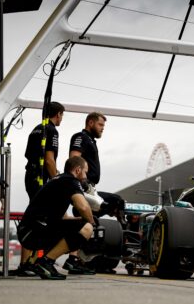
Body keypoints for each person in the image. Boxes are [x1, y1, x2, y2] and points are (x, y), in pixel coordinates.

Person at [17, 156, 95, 280]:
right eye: (85, 171)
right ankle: (45, 263)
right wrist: (92, 223)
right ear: (78, 170)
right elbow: (83, 207)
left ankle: (45, 262)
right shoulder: (71, 181)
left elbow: (59, 219)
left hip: (30, 230)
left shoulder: (59, 180)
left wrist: (79, 221)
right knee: (87, 228)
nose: (86, 176)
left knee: (81, 225)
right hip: (33, 232)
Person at [70, 112, 126, 272]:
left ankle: (122, 241)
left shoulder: (91, 140)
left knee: (115, 203)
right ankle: (75, 259)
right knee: (85, 221)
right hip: (83, 189)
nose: (102, 129)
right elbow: (74, 159)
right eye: (100, 125)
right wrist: (82, 182)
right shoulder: (80, 137)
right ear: (90, 122)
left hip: (91, 188)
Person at [16, 102, 66, 276]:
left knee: (33, 216)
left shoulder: (36, 129)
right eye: (62, 115)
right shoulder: (51, 130)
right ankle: (36, 261)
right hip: (40, 177)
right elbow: (49, 160)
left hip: (30, 174)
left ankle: (26, 262)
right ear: (58, 114)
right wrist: (57, 181)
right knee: (41, 219)